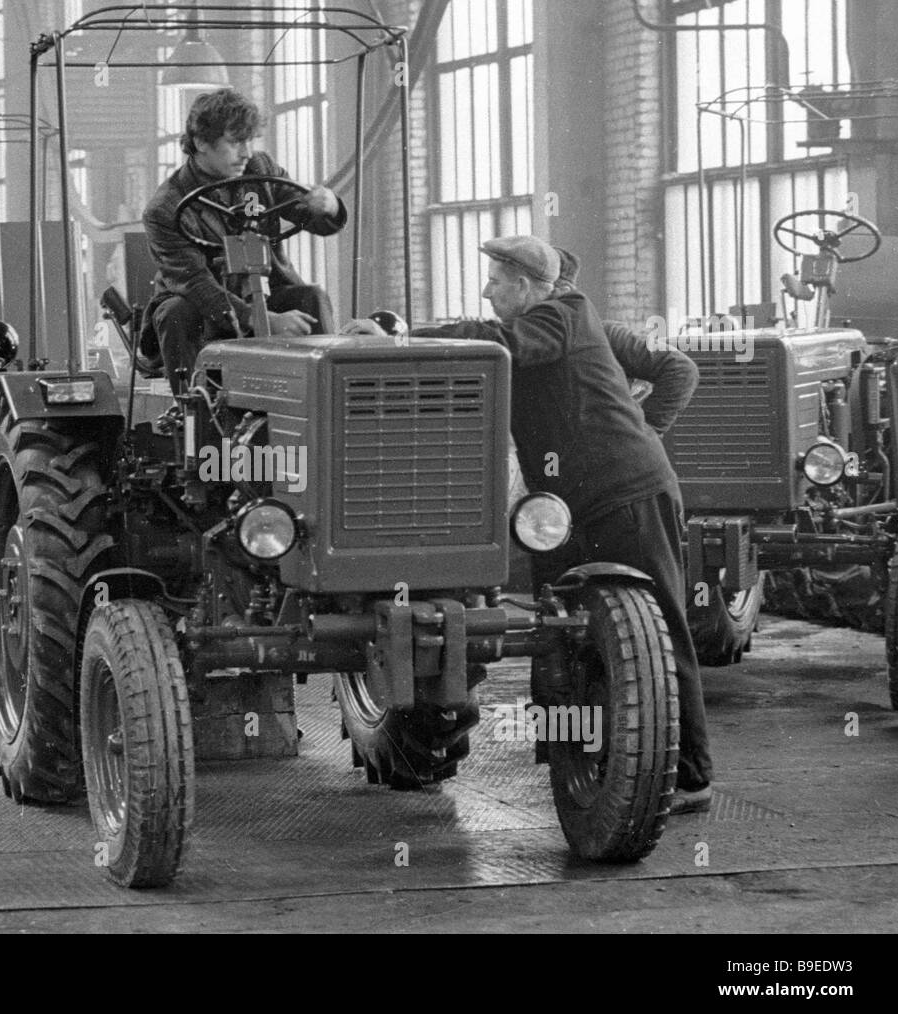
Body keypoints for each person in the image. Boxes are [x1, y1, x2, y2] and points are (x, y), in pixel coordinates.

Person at [345, 236, 712, 814]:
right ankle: (575, 767)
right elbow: (478, 330)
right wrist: (406, 333)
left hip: (625, 494)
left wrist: (401, 340)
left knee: (660, 627)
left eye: (496, 280)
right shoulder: (544, 321)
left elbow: (498, 342)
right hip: (564, 509)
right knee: (563, 633)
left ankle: (689, 775)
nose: (487, 290)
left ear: (525, 285)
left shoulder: (565, 314)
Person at [142, 88, 347, 393]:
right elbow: (197, 284)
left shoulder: (258, 171)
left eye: (250, 140)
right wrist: (260, 319)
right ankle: (193, 416)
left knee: (311, 296)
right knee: (175, 312)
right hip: (207, 310)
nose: (247, 152)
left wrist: (328, 205)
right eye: (235, 142)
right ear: (200, 142)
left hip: (264, 292)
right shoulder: (166, 208)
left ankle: (327, 400)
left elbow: (304, 210)